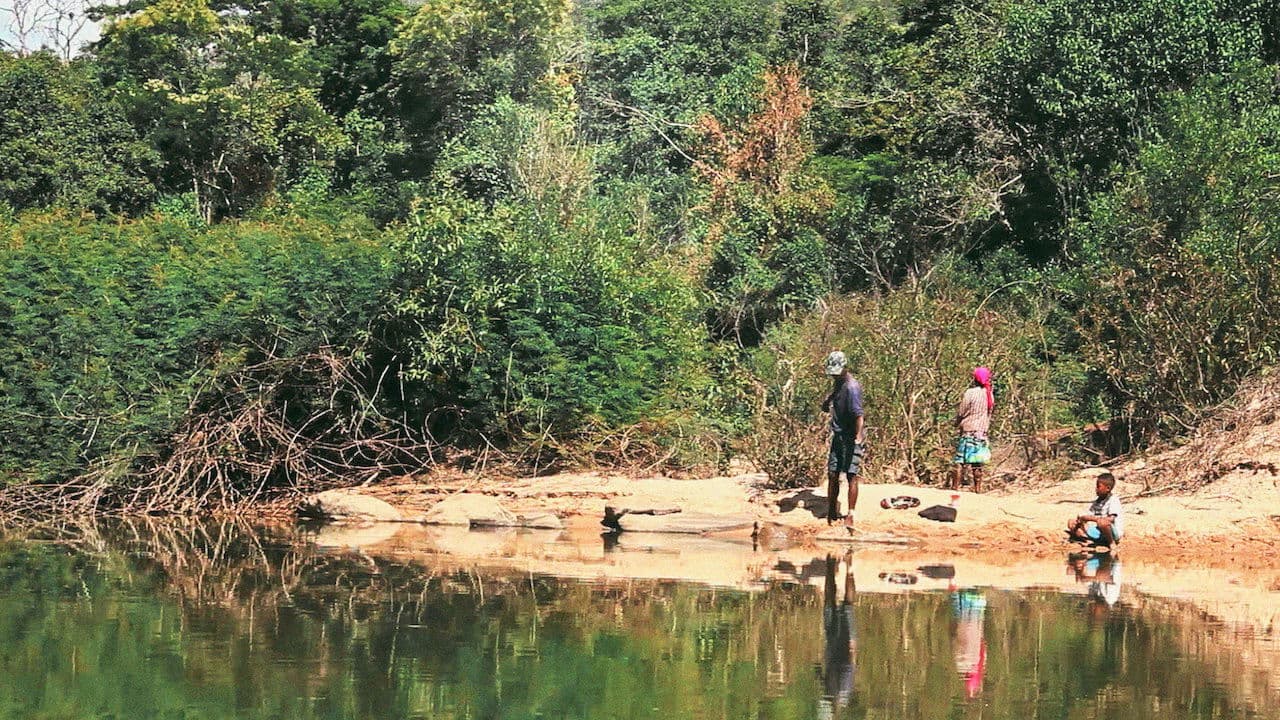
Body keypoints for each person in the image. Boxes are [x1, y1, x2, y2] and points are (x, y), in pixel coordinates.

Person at [821, 351, 865, 527]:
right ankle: (831, 509)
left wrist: (858, 436)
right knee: (833, 473)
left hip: (851, 435)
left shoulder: (852, 388)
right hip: (838, 435)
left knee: (851, 475)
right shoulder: (839, 383)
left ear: (845, 367)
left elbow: (858, 415)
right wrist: (829, 400)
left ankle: (851, 514)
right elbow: (835, 393)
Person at [819, 553, 857, 720]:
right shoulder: (842, 693)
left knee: (830, 604)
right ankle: (848, 568)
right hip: (841, 646)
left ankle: (830, 567)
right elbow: (850, 666)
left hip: (834, 643)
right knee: (845, 606)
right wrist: (851, 644)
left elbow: (821, 676)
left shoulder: (830, 695)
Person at [953, 366, 994, 493]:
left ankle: (955, 488)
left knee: (960, 461)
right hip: (981, 432)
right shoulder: (989, 395)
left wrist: (956, 423)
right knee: (977, 463)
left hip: (968, 430)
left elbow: (961, 411)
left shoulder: (970, 393)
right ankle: (978, 489)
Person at [1066, 472, 1124, 547]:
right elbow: (1089, 513)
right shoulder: (1098, 501)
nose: (1096, 489)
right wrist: (1081, 518)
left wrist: (1091, 518)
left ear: (1108, 488)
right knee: (1071, 522)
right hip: (1099, 532)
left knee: (1102, 522)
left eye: (1098, 486)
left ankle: (1111, 543)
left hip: (1111, 533)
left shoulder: (1113, 500)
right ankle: (1087, 539)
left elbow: (1111, 519)